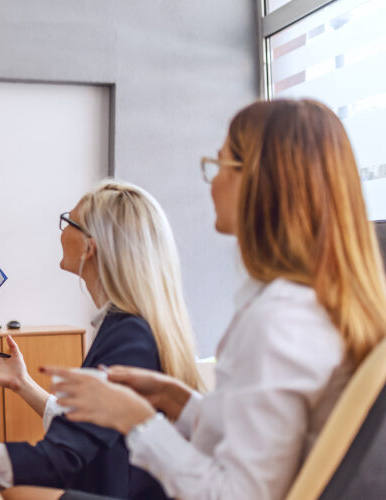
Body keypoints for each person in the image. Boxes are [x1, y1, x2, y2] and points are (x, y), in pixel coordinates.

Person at [49, 99, 386, 499]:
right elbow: (272, 442)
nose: (212, 180)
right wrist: (185, 405)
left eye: (221, 164)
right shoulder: (319, 308)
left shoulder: (277, 322)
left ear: (260, 182)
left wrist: (139, 423)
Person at [0, 181, 202, 498]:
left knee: (9, 490)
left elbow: (60, 458)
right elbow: (84, 436)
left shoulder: (129, 336)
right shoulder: (124, 325)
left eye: (68, 221)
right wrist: (23, 384)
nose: (61, 230)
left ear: (89, 247)